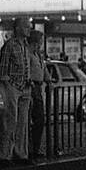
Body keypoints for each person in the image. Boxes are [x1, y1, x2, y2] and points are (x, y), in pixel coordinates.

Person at [0, 17, 33, 165]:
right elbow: (3, 70)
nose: (29, 29)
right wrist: (9, 85)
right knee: (11, 121)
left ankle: (21, 153)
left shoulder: (25, 46)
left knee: (23, 123)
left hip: (24, 87)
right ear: (18, 28)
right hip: (13, 87)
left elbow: (26, 66)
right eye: (26, 27)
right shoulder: (10, 45)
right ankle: (5, 155)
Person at [27, 30, 48, 160]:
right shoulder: (28, 54)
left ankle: (35, 147)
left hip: (38, 87)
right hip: (32, 86)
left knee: (39, 119)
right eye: (40, 41)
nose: (41, 44)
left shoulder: (38, 55)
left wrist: (48, 80)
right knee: (34, 118)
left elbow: (44, 69)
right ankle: (30, 149)